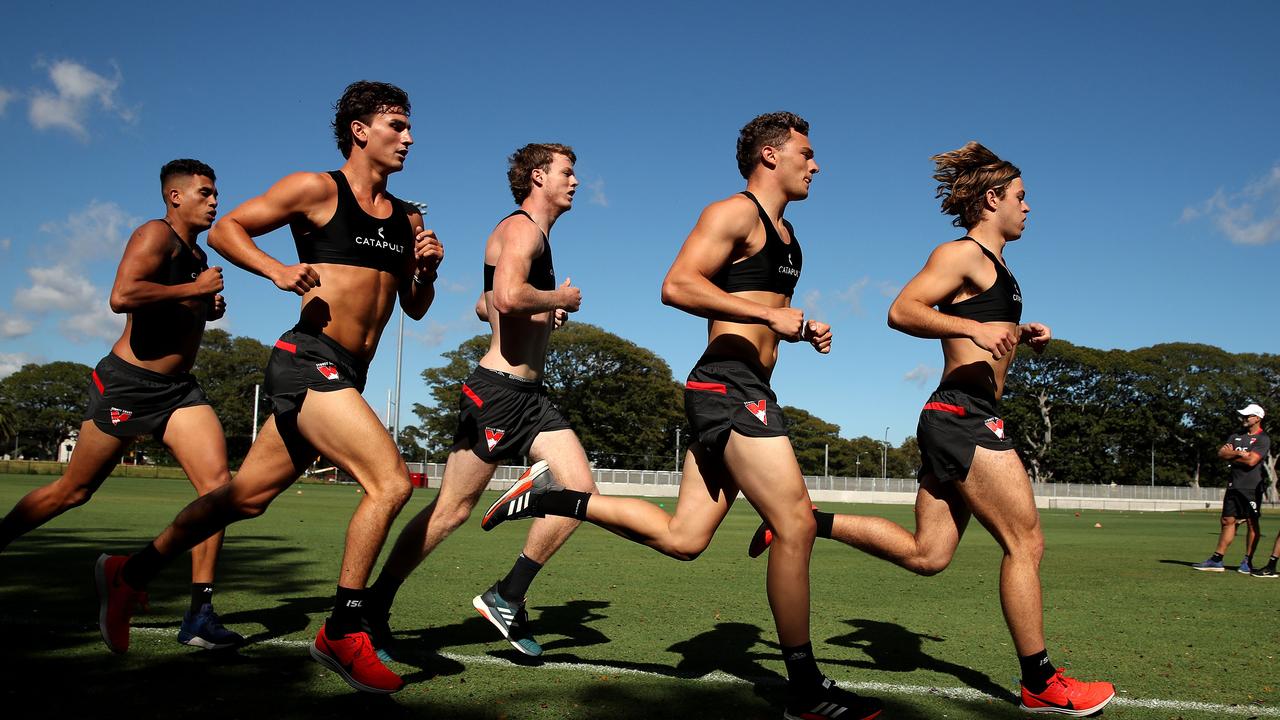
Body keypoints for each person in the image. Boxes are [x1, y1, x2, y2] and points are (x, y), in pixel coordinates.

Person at [481, 113, 883, 720]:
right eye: (806, 152)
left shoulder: (790, 235)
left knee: (685, 538)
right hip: (726, 387)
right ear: (770, 156)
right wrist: (768, 319)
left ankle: (548, 502)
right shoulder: (734, 212)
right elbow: (676, 285)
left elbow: (762, 307)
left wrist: (795, 326)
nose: (816, 164)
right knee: (796, 523)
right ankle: (804, 689)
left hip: (745, 386)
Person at [95, 81, 442, 694]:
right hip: (308, 359)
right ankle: (342, 630)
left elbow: (413, 309)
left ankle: (129, 572)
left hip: (347, 372)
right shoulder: (317, 189)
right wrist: (278, 269)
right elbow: (230, 229)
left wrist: (425, 271)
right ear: (361, 131)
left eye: (410, 127)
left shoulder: (406, 217)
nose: (409, 137)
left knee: (244, 498)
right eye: (397, 125)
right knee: (389, 482)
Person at [749, 142, 1114, 715]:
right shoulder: (962, 253)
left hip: (957, 416)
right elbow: (902, 309)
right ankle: (1040, 681)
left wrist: (1019, 333)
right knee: (1026, 542)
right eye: (1021, 197)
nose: (1028, 208)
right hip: (964, 416)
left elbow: (980, 329)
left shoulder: (997, 269)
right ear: (992, 199)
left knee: (929, 554)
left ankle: (804, 523)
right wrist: (972, 328)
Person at [0, 159, 243, 652]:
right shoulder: (153, 234)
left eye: (216, 193)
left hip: (179, 392)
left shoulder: (196, 255)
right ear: (175, 197)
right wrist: (193, 291)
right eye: (204, 192)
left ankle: (200, 614)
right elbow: (123, 294)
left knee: (220, 490)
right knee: (73, 491)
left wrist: (205, 308)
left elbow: (174, 309)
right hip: (129, 385)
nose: (214, 200)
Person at [365, 143, 597, 658]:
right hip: (496, 394)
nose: (576, 181)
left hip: (530, 397)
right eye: (567, 172)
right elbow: (508, 297)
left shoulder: (534, 236)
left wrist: (540, 315)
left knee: (579, 492)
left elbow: (484, 303)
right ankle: (373, 608)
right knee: (451, 511)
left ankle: (508, 594)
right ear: (539, 177)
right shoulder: (519, 229)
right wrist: (558, 299)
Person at [1194, 403, 1270, 573]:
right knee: (1227, 521)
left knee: (1251, 522)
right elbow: (1222, 453)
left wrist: (1232, 455)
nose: (1244, 418)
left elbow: (1252, 461)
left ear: (1257, 418)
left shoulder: (1263, 439)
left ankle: (1247, 561)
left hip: (1251, 488)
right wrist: (1238, 454)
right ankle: (1217, 559)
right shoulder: (1236, 436)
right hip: (1233, 485)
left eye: (1248, 416)